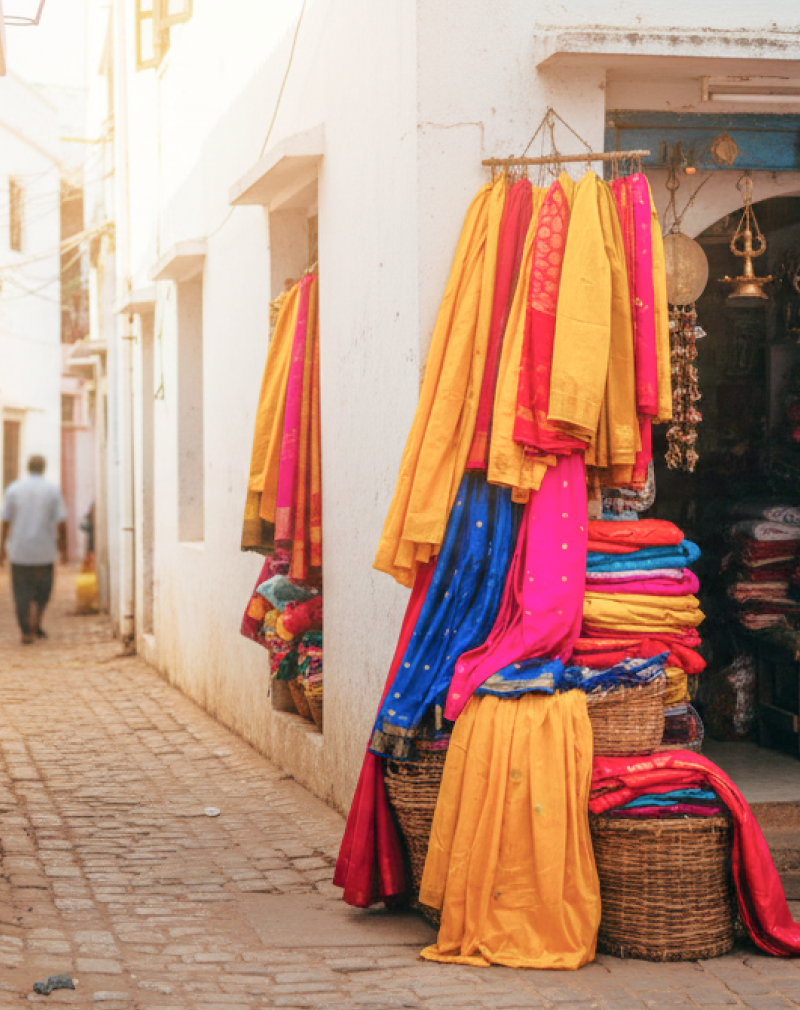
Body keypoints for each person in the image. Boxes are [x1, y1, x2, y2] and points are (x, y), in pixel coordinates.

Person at [0, 455, 67, 644]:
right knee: (43, 590)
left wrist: (1, 548)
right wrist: (63, 549)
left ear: (27, 468)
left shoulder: (14, 489)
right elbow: (61, 521)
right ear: (44, 468)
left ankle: (26, 631)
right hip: (44, 551)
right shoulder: (52, 491)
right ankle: (36, 622)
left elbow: (5, 520)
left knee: (21, 592)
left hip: (19, 551)